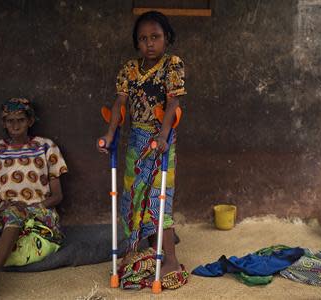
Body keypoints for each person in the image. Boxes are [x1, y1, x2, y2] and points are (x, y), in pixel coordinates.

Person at [97, 11, 187, 287]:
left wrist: (162, 136)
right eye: (143, 39)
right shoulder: (129, 69)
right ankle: (136, 251)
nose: (149, 43)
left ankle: (169, 257)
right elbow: (119, 103)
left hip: (162, 139)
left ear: (167, 38)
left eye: (155, 37)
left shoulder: (172, 65)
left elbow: (173, 104)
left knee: (160, 197)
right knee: (133, 197)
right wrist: (110, 134)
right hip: (136, 141)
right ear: (137, 43)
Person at [0, 98, 68, 299]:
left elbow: (58, 195)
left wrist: (32, 205)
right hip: (4, 211)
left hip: (39, 210)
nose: (15, 125)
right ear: (3, 123)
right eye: (10, 121)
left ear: (30, 121)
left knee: (14, 212)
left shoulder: (46, 147)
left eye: (20, 120)